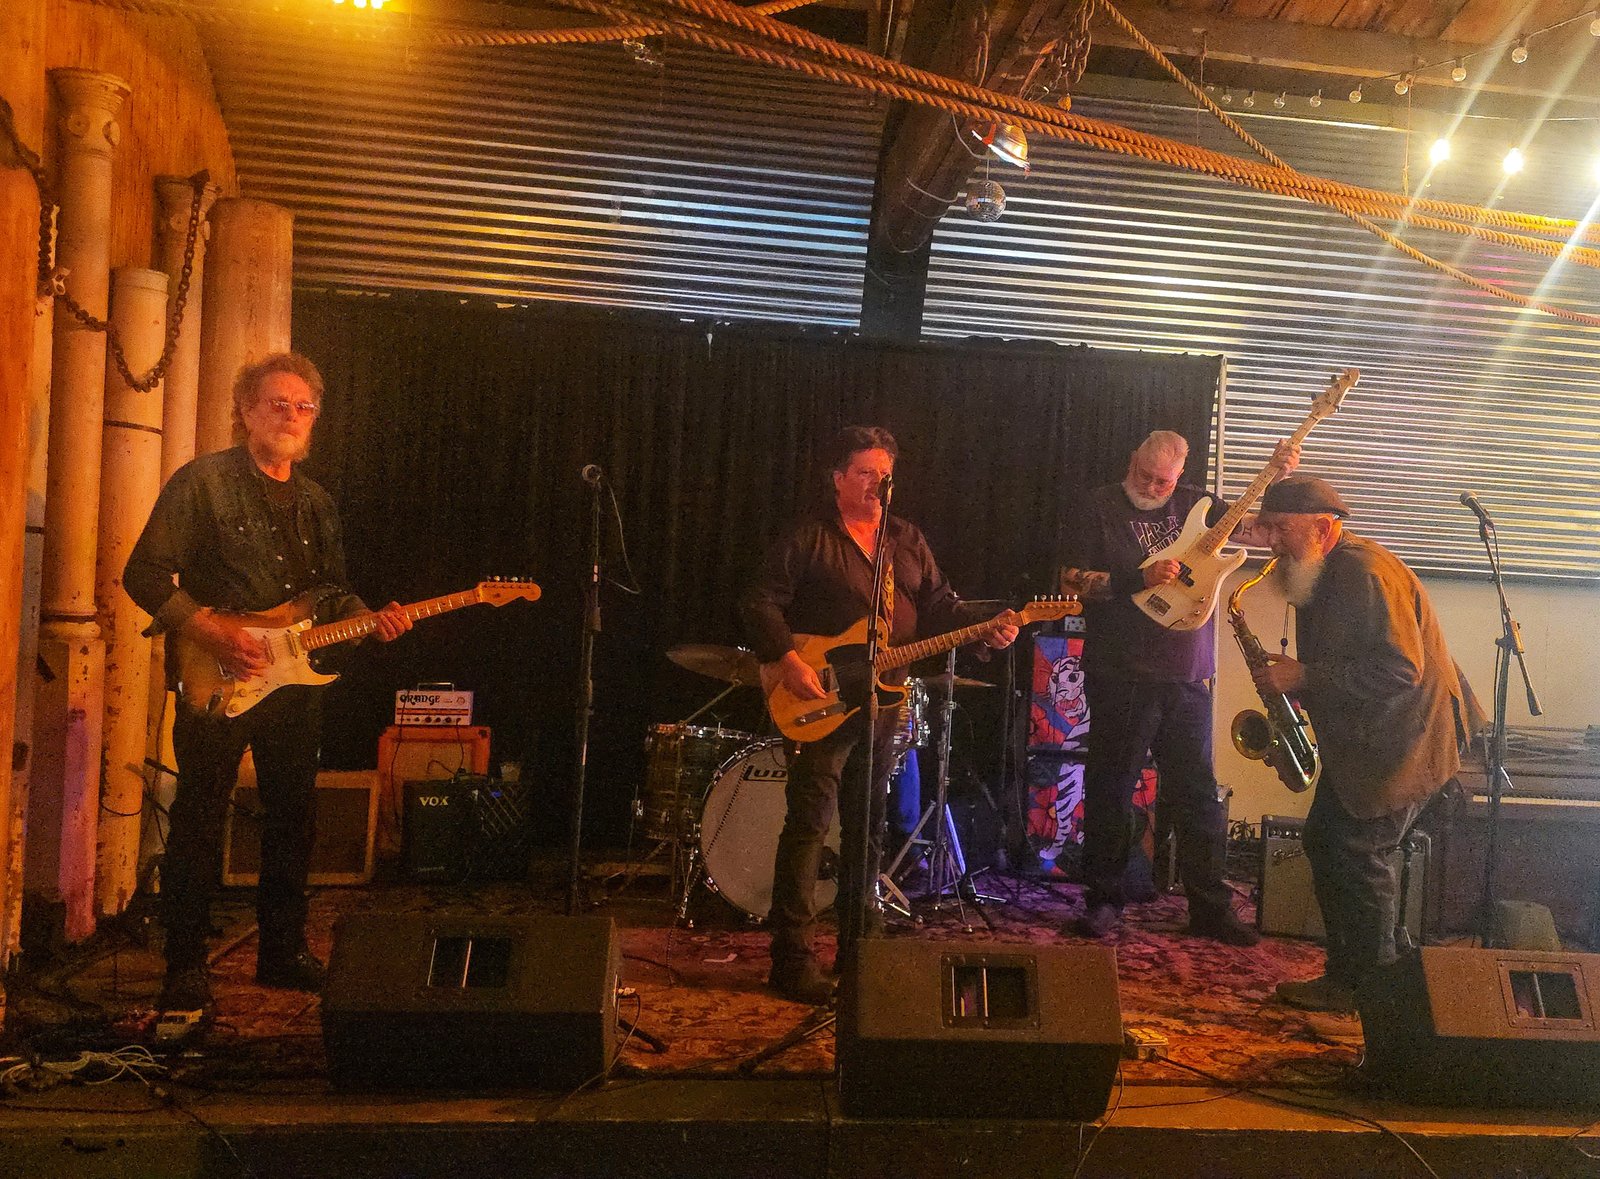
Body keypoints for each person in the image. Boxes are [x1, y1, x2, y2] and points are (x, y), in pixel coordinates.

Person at [125, 352, 411, 1017]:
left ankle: (282, 949)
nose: (291, 416)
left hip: (295, 683)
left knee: (294, 817)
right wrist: (210, 631)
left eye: (303, 406)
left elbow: (330, 592)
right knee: (199, 816)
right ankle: (185, 964)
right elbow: (144, 574)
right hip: (218, 676)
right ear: (246, 410)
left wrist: (371, 619)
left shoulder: (317, 502)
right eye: (277, 403)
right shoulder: (203, 483)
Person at [741, 426, 1020, 1004]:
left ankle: (859, 948)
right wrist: (788, 661)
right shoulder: (811, 536)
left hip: (884, 699)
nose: (877, 484)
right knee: (809, 824)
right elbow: (759, 600)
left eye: (884, 474)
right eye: (865, 473)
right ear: (838, 478)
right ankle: (791, 959)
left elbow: (941, 606)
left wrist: (986, 630)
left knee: (867, 826)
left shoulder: (906, 539)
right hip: (820, 696)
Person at [1251, 475, 1482, 1013]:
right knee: (1329, 842)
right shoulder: (1327, 568)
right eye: (1269, 529)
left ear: (1323, 528)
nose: (1273, 542)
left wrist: (1304, 677)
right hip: (1379, 741)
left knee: (1357, 852)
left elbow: (1400, 670)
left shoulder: (1363, 572)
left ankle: (1373, 997)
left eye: (1282, 529)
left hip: (1406, 742)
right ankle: (1351, 977)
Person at [1063, 429, 1298, 946]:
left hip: (1188, 672)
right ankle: (1104, 899)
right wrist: (1137, 579)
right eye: (1143, 475)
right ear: (1132, 459)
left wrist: (1275, 479)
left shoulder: (1199, 505)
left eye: (1162, 482)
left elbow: (1260, 532)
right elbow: (1070, 580)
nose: (1151, 487)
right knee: (1111, 789)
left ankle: (1210, 908)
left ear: (1180, 477)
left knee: (1197, 795)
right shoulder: (1098, 506)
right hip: (1121, 671)